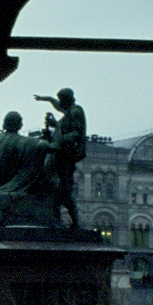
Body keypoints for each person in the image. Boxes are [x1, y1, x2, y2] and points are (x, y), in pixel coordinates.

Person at [34, 87, 87, 228]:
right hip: (58, 155)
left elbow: (76, 133)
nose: (59, 103)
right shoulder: (69, 112)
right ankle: (56, 220)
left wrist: (56, 125)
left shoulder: (75, 112)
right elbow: (60, 130)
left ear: (67, 99)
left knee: (62, 187)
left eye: (61, 99)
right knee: (54, 187)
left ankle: (73, 221)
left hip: (65, 157)